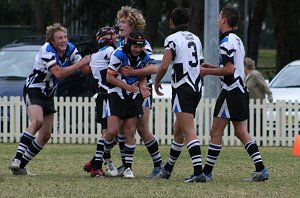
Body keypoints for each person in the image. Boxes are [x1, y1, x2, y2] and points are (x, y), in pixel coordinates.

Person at [9, 23, 91, 175]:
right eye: (60, 38)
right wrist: (80, 62)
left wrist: (98, 59)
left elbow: (86, 69)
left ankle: (20, 167)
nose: (64, 40)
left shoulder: (70, 48)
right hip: (34, 89)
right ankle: (17, 159)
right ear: (52, 41)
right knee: (37, 122)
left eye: (65, 37)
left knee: (46, 135)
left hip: (48, 93)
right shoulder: (47, 49)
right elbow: (59, 73)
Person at [200, 6, 269, 182]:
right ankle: (261, 169)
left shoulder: (225, 42)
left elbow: (229, 70)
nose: (216, 20)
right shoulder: (236, 40)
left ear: (224, 20)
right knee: (241, 131)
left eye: (218, 17)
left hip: (230, 92)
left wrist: (207, 72)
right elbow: (235, 69)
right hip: (240, 90)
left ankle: (206, 172)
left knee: (216, 131)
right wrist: (213, 67)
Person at [154, 7, 206, 183]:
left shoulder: (172, 39)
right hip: (196, 88)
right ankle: (168, 168)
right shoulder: (196, 39)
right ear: (188, 22)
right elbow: (200, 64)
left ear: (171, 22)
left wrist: (157, 81)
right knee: (178, 130)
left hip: (182, 88)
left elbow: (164, 65)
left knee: (188, 130)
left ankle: (198, 171)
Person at [114, 6, 163, 178]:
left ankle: (159, 166)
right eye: (120, 21)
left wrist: (137, 78)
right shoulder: (120, 43)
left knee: (142, 128)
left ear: (133, 25)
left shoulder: (143, 44)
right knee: (121, 128)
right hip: (125, 92)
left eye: (124, 21)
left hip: (142, 92)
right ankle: (125, 165)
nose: (120, 24)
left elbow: (150, 67)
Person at [103, 30, 156, 178]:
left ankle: (128, 168)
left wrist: (142, 85)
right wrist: (128, 87)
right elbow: (109, 77)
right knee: (112, 131)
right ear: (129, 44)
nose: (137, 50)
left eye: (140, 47)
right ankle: (106, 156)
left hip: (133, 95)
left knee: (130, 131)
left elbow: (146, 72)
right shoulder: (119, 54)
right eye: (135, 46)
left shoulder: (144, 55)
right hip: (116, 93)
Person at [83, 27, 119, 177]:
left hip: (102, 95)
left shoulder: (95, 55)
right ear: (108, 38)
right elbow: (119, 60)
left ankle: (93, 162)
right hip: (107, 96)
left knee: (110, 134)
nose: (116, 38)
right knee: (109, 134)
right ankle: (96, 166)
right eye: (114, 35)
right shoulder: (109, 51)